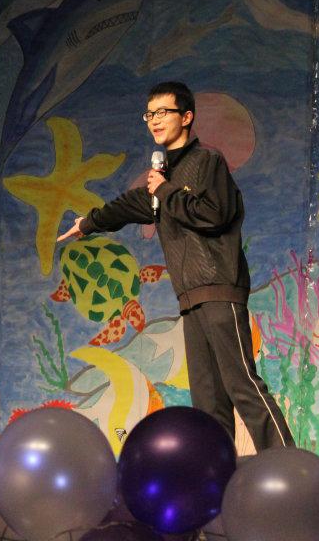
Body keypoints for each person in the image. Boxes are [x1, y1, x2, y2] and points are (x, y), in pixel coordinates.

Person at [57, 81, 293, 450]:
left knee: (242, 385)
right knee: (208, 401)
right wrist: (88, 223)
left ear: (186, 117)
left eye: (163, 112)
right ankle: (217, 474)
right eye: (149, 114)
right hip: (189, 298)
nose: (154, 120)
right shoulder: (162, 178)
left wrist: (165, 191)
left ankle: (288, 463)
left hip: (219, 289)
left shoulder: (207, 163)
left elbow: (214, 214)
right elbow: (127, 206)